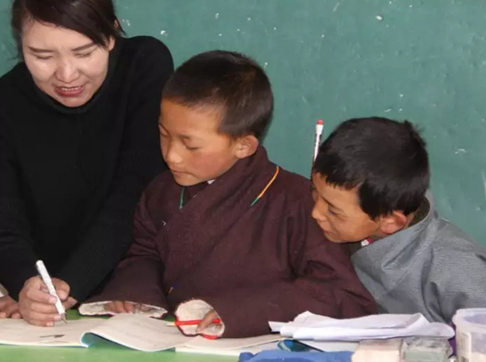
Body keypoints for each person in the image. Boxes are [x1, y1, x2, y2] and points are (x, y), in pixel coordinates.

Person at [78, 51, 376, 338]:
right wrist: (133, 293)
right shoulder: (161, 192)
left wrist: (242, 312)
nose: (171, 156)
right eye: (164, 134)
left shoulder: (297, 203)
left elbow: (337, 292)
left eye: (190, 145)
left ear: (244, 146)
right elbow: (146, 254)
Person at [0, 0, 173, 327]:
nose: (66, 74)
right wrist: (29, 288)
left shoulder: (144, 67)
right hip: (52, 302)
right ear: (20, 45)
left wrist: (70, 284)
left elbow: (135, 194)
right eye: (42, 56)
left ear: (112, 35)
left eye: (83, 52)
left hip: (138, 291)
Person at [311, 117, 486, 323]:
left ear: (391, 223)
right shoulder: (344, 226)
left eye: (333, 211)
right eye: (314, 192)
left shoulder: (458, 269)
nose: (316, 213)